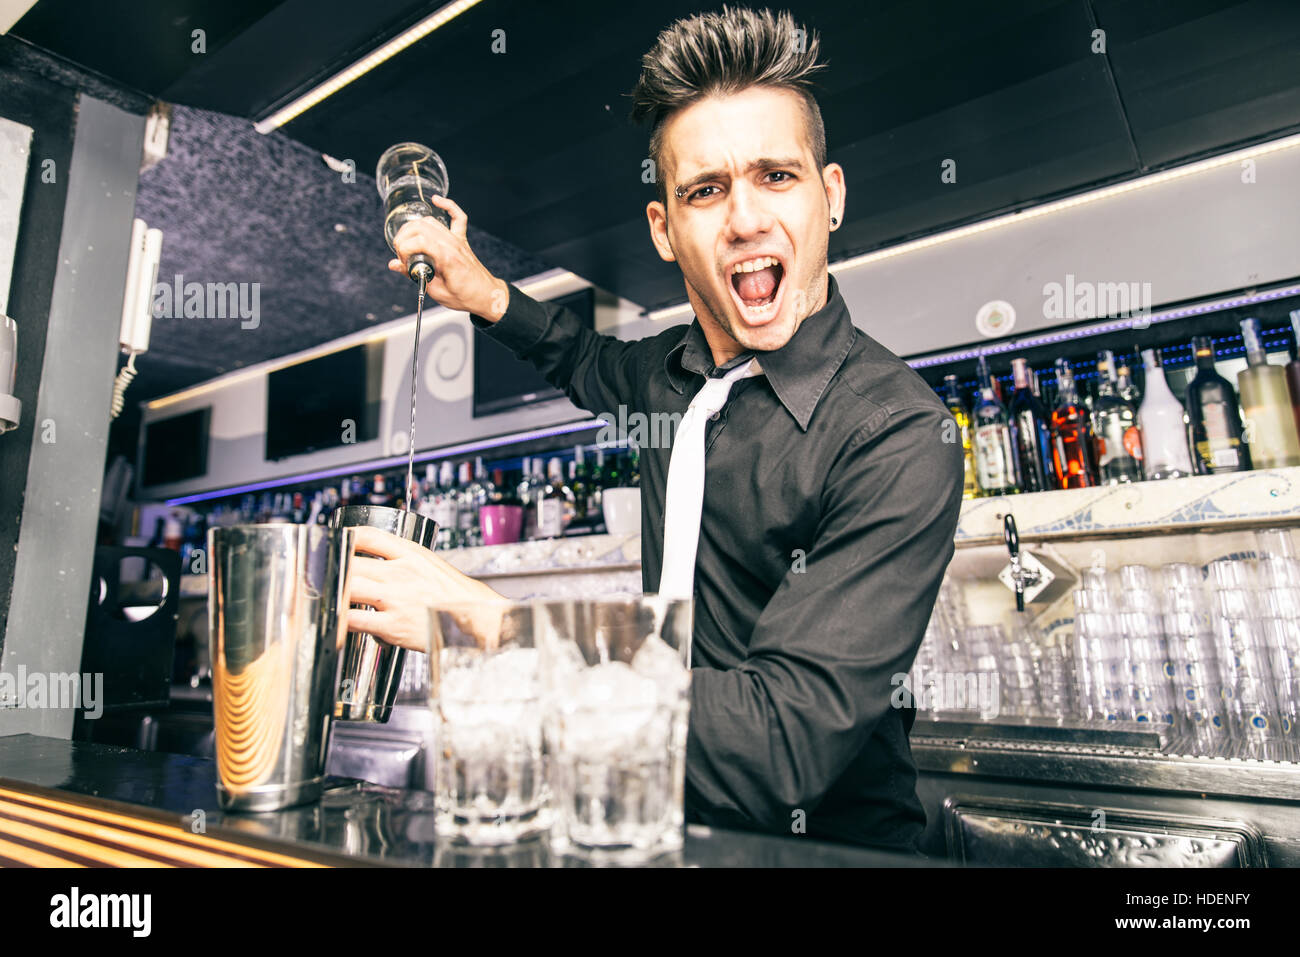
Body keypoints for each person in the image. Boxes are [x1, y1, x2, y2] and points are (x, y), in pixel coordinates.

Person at [346, 6, 963, 853]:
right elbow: (580, 356)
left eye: (777, 176)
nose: (744, 220)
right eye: (705, 190)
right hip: (657, 829)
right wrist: (484, 290)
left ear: (832, 197)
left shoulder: (895, 434)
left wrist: (483, 622)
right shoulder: (671, 380)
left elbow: (779, 740)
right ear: (664, 230)